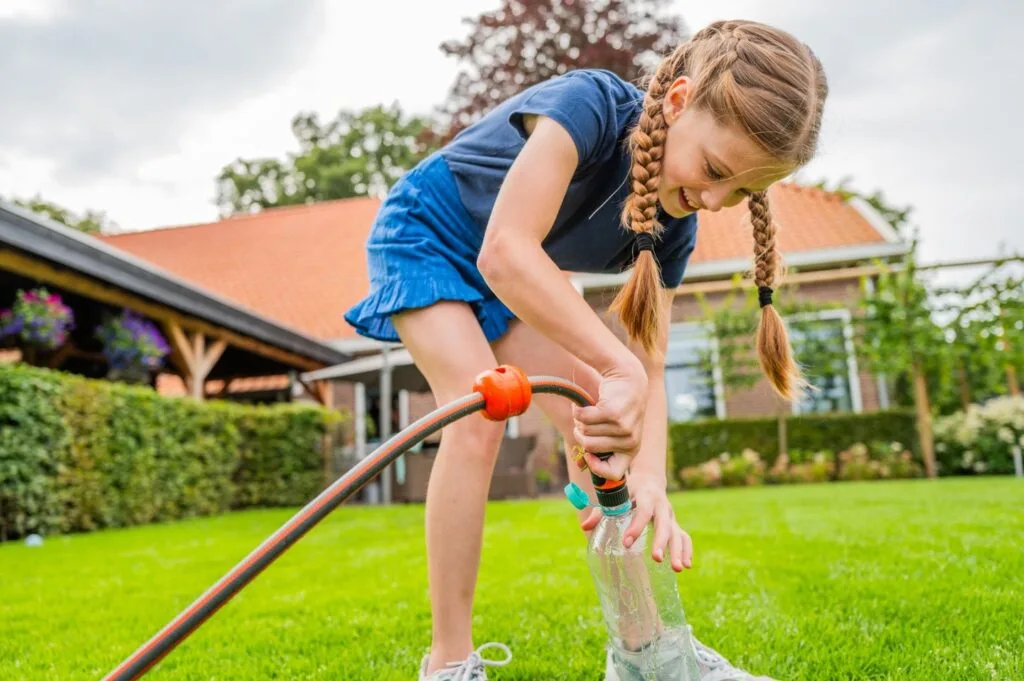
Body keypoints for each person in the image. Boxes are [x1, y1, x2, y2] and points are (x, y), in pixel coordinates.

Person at [344, 18, 828, 681]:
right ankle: (448, 662)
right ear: (679, 101)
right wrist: (616, 364)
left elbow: (649, 366)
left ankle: (645, 655)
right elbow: (507, 250)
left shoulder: (672, 224)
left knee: (599, 437)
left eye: (741, 192)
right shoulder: (590, 105)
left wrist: (649, 478)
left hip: (509, 274)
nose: (716, 200)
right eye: (715, 169)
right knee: (480, 409)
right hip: (428, 235)